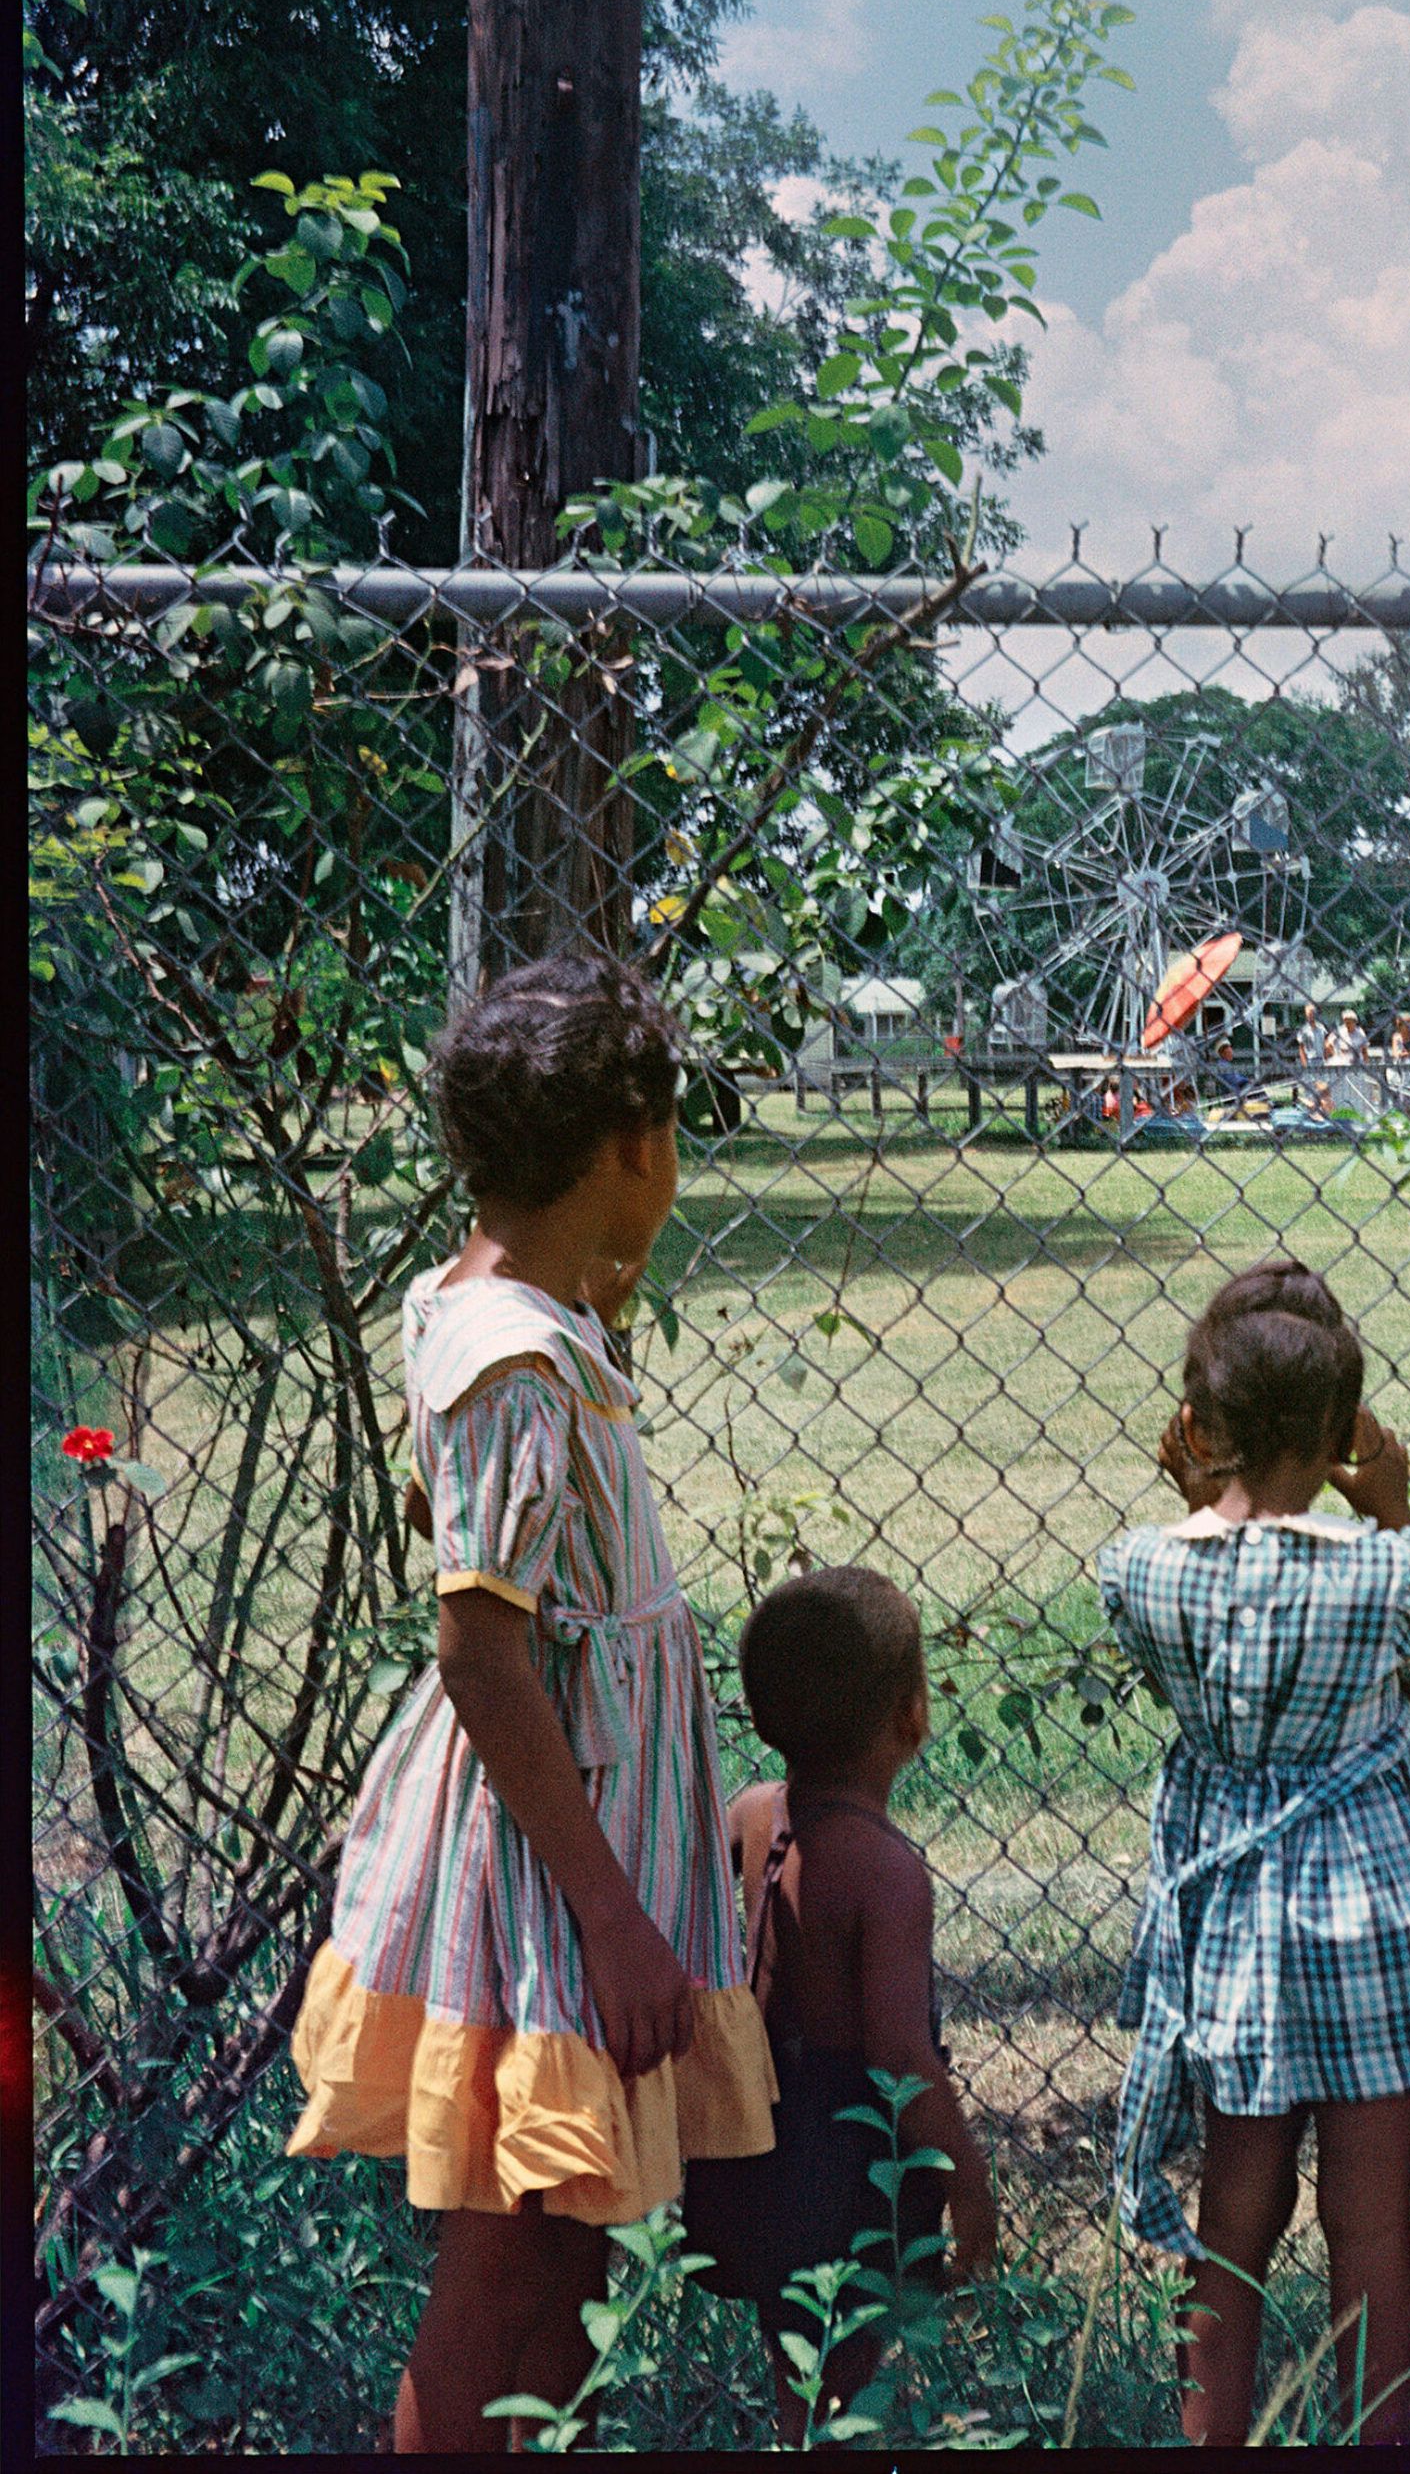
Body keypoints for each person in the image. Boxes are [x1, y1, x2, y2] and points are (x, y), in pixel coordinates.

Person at [284, 953, 777, 2453]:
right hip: (554, 1883)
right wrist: (617, 1917)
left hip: (579, 1849)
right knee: (509, 2258)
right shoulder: (517, 1362)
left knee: (569, 2245)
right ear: (633, 1143)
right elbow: (484, 1657)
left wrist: (598, 1281)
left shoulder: (517, 1311)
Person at [1101, 1260, 1410, 2445]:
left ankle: (1214, 2439)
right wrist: (1395, 1506)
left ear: (1197, 1428)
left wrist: (1199, 1488)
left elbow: (1189, 1663)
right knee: (1371, 2225)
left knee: (1234, 2215)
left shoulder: (1140, 1567)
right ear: (1343, 1430)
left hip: (1236, 1925)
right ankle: (1376, 2438)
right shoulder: (1390, 1567)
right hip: (1371, 1910)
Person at [698, 1568, 1000, 2442]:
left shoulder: (749, 1812)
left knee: (795, 2352)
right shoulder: (887, 1868)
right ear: (913, 1715)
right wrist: (966, 2177)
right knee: (846, 2365)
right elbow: (900, 2053)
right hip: (846, 2153)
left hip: (752, 2130)